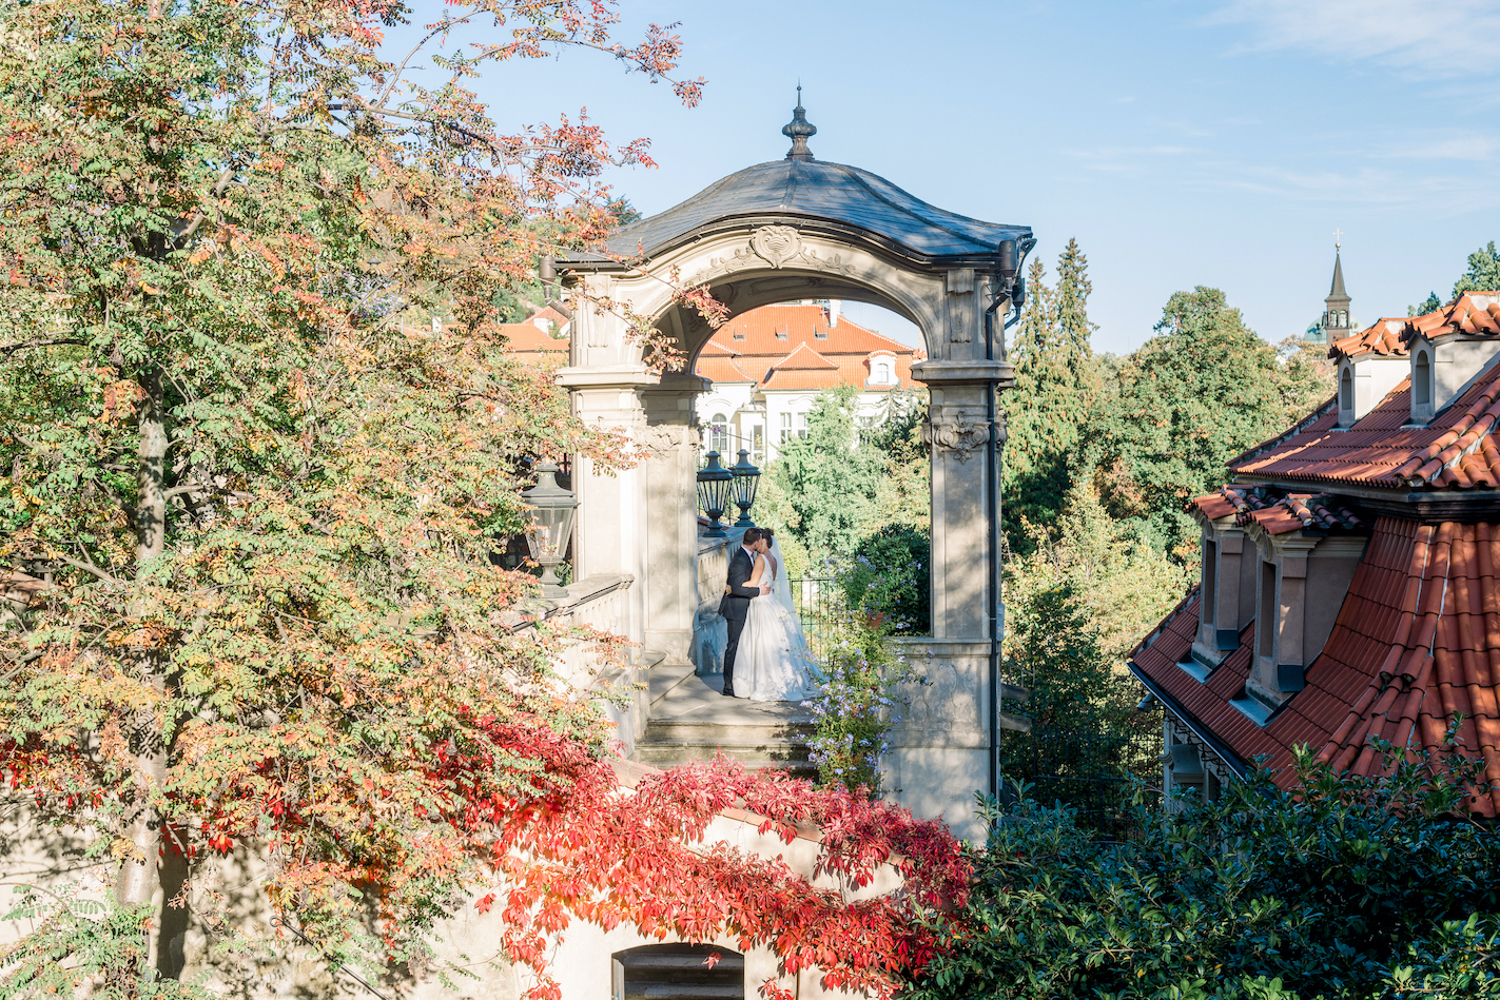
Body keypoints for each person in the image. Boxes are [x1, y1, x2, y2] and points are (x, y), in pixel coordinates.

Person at [728, 527, 815, 702]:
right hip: (771, 601)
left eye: (760, 540)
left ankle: (761, 683)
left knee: (759, 642)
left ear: (764, 541)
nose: (758, 544)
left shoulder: (760, 558)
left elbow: (753, 582)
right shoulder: (772, 559)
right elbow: (770, 580)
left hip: (761, 603)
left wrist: (731, 587)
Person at [718, 526, 770, 697]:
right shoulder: (740, 558)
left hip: (744, 607)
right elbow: (738, 588)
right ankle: (728, 685)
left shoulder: (748, 556)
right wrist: (758, 592)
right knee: (733, 646)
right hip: (735, 609)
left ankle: (739, 681)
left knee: (741, 647)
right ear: (756, 543)